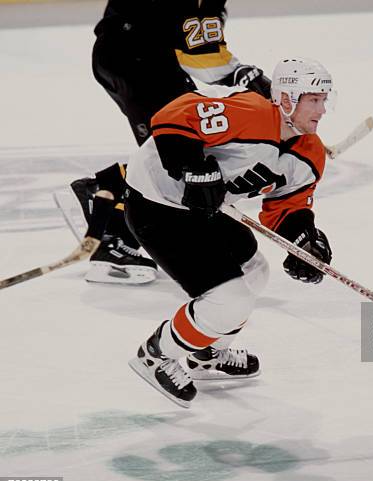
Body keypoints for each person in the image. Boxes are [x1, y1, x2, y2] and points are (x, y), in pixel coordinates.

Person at [125, 57, 335, 407]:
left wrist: (304, 241)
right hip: (156, 204)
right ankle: (156, 355)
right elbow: (173, 117)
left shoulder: (309, 151)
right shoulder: (250, 112)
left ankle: (205, 354)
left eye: (325, 100)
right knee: (230, 300)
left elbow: (287, 208)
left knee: (255, 273)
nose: (323, 109)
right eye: (314, 100)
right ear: (285, 99)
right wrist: (194, 166)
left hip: (205, 211)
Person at [71, 0, 271, 284]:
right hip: (137, 61)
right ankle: (109, 218)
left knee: (182, 150)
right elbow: (199, 53)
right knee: (179, 155)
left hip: (133, 55)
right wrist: (244, 77)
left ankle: (108, 200)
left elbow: (195, 39)